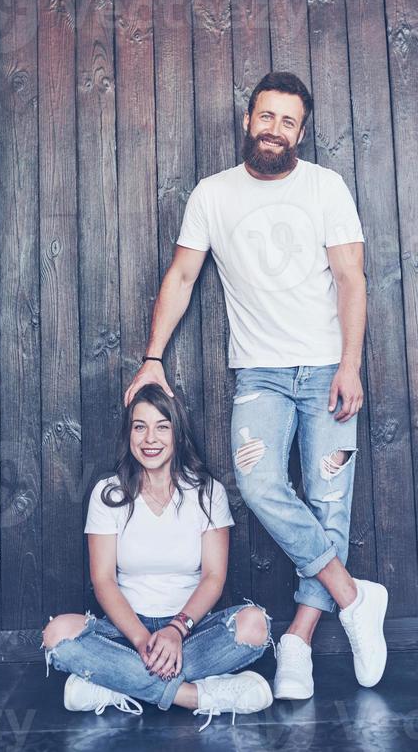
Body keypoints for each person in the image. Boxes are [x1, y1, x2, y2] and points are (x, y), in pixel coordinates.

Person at [124, 71, 389, 700]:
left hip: (328, 368)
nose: (275, 130)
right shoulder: (213, 195)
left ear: (302, 131)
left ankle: (297, 640)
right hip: (259, 373)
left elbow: (352, 279)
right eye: (266, 117)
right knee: (259, 482)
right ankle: (354, 598)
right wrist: (152, 357)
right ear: (248, 121)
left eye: (288, 121)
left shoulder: (326, 187)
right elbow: (183, 276)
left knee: (330, 501)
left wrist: (351, 363)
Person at [41, 383, 275, 731]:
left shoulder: (207, 492)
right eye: (140, 426)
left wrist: (175, 631)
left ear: (177, 434)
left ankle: (111, 682)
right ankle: (196, 696)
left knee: (255, 626)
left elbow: (213, 577)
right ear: (129, 434)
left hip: (191, 632)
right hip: (125, 634)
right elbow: (103, 580)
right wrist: (141, 640)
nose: (150, 438)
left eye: (162, 426)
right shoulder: (108, 493)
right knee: (57, 634)